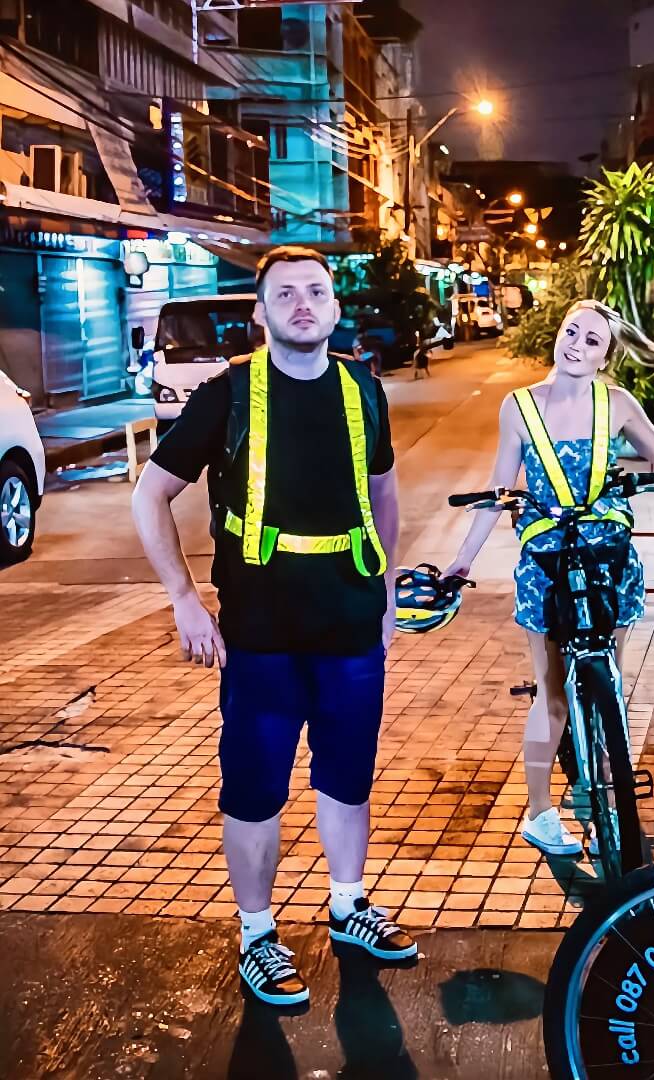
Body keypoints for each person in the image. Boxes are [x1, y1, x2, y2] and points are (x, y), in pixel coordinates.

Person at [131, 246, 416, 1009]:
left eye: (315, 292)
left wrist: (385, 588)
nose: (301, 303)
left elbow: (383, 493)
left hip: (351, 620)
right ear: (260, 312)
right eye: (283, 294)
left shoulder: (362, 387)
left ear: (334, 307)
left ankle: (349, 905)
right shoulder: (228, 394)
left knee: (348, 775)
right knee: (255, 789)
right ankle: (257, 932)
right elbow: (149, 496)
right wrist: (184, 600)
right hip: (259, 629)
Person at [445, 300, 654, 855]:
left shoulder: (617, 403)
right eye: (572, 332)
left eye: (592, 341)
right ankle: (540, 812)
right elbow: (499, 490)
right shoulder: (518, 407)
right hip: (545, 564)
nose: (576, 345)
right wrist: (462, 560)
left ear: (605, 357)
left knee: (608, 678)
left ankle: (605, 770)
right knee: (552, 693)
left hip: (609, 560)